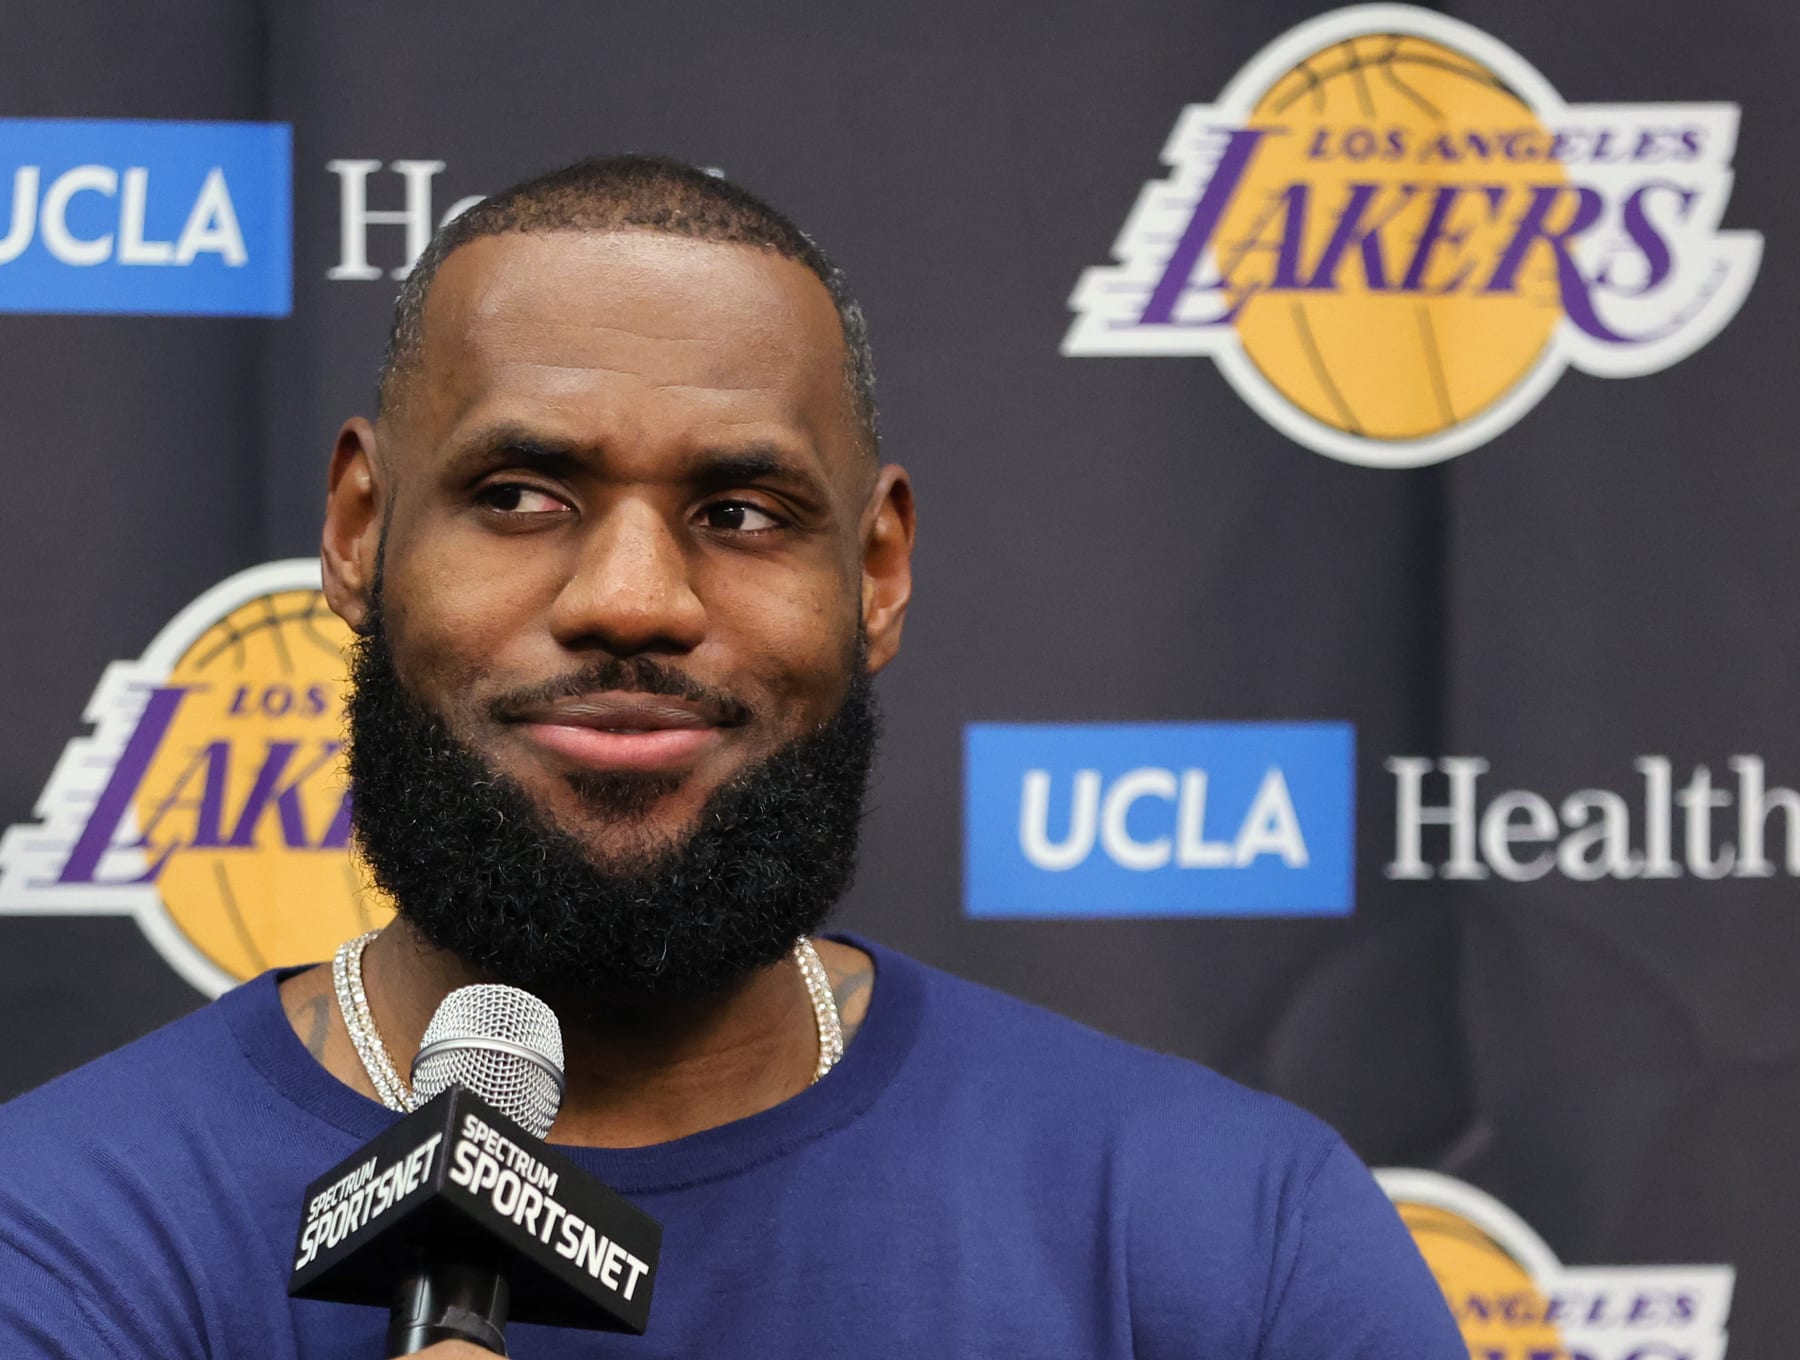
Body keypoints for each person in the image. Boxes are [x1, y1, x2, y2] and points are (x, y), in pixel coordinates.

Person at [0, 155, 1464, 1358]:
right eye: (519, 494)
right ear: (360, 533)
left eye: (743, 512)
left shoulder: (1227, 1233)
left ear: (877, 571)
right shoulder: (58, 1238)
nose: (632, 599)